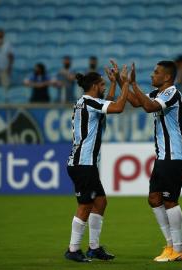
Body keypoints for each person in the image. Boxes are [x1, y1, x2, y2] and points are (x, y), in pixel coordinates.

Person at [111, 60, 182, 262]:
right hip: (164, 155)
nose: (152, 75)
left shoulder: (172, 92)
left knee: (169, 200)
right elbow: (136, 102)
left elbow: (148, 107)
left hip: (175, 154)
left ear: (167, 77)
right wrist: (122, 81)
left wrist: (134, 84)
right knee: (154, 198)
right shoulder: (158, 93)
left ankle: (179, 249)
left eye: (156, 72)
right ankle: (171, 244)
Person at [64, 65, 129, 262]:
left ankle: (94, 248)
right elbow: (117, 107)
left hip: (85, 163)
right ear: (93, 86)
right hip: (83, 163)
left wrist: (112, 84)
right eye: (101, 84)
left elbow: (106, 103)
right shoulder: (90, 103)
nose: (103, 87)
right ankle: (73, 250)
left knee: (100, 202)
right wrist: (124, 84)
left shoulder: (87, 102)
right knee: (85, 206)